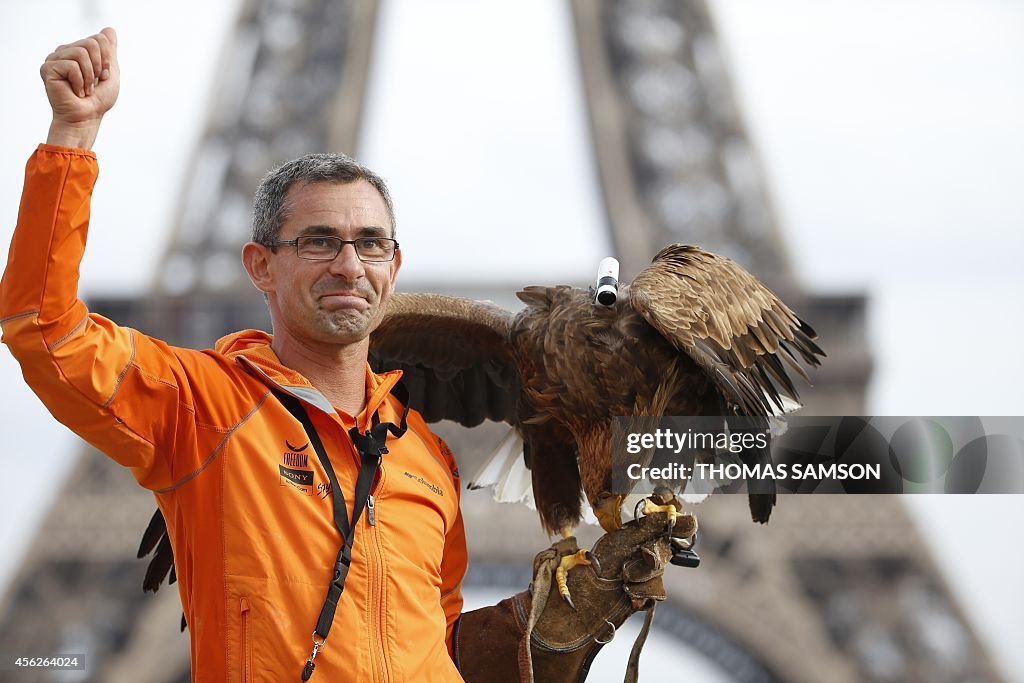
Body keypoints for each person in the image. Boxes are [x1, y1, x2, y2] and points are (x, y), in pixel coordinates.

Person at [1, 28, 680, 683]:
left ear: (395, 265)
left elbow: (434, 645)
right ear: (261, 266)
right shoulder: (201, 406)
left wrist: (540, 640)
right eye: (320, 241)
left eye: (371, 243)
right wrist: (74, 136)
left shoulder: (426, 458)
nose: (349, 264)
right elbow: (42, 325)